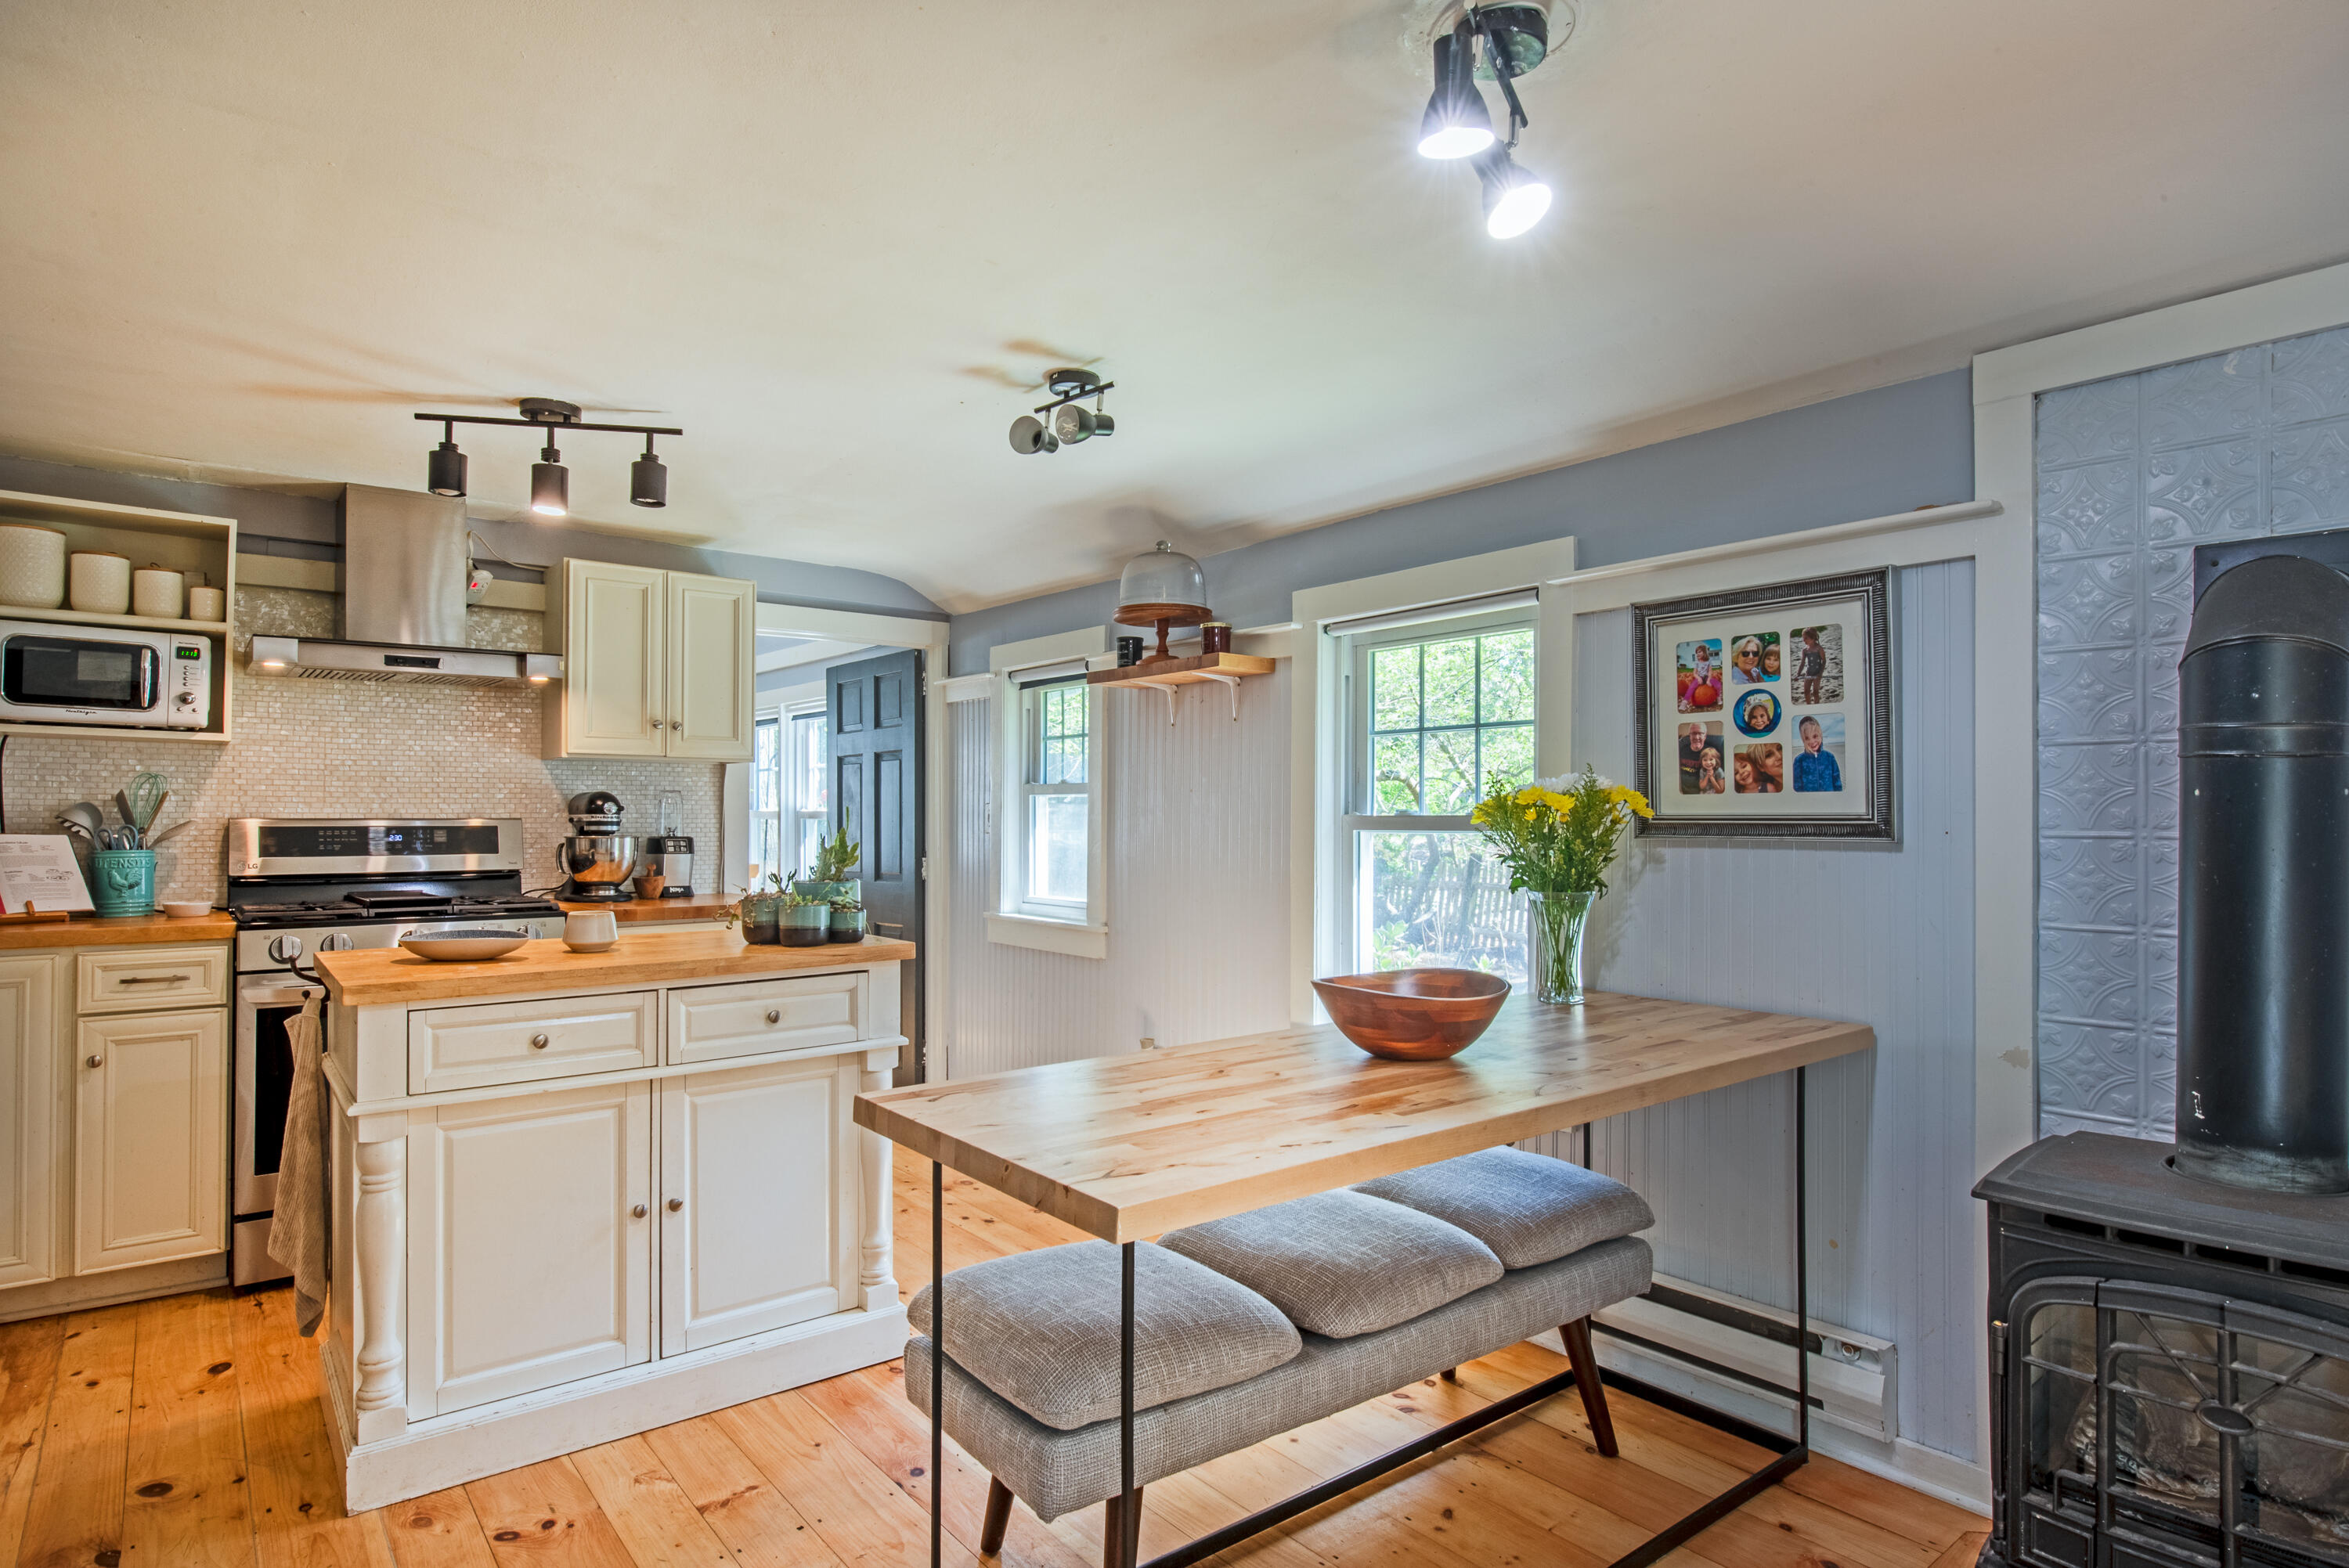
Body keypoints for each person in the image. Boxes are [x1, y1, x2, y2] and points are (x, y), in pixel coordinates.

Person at [1792, 716, 1842, 791]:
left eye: (1815, 736)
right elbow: (1797, 787)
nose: (1812, 742)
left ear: (1820, 735)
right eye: (1807, 738)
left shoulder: (1830, 757)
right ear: (1803, 740)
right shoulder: (1799, 761)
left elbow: (1837, 784)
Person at [1794, 627, 1827, 704]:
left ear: (1813, 638)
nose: (1804, 640)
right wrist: (1798, 674)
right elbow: (1802, 663)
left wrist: (1820, 674)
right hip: (1808, 673)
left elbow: (1824, 661)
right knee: (1806, 691)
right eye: (1803, 638)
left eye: (1806, 638)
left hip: (1817, 673)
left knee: (1815, 692)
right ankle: (1808, 706)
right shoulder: (1805, 650)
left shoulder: (1819, 648)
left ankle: (1816, 706)